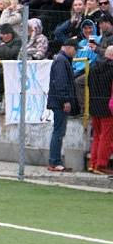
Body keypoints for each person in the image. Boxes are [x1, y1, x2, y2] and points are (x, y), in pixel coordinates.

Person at [47, 39, 79, 172]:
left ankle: (55, 161)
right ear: (69, 48)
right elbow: (61, 83)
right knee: (59, 131)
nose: (75, 52)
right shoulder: (61, 61)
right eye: (75, 49)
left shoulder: (61, 59)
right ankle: (54, 161)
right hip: (59, 102)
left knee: (59, 131)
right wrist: (65, 100)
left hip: (57, 101)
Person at [87, 45, 113, 175]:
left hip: (93, 105)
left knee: (97, 136)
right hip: (107, 107)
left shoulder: (93, 66)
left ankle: (93, 163)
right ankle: (101, 165)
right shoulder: (111, 68)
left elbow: (87, 84)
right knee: (106, 137)